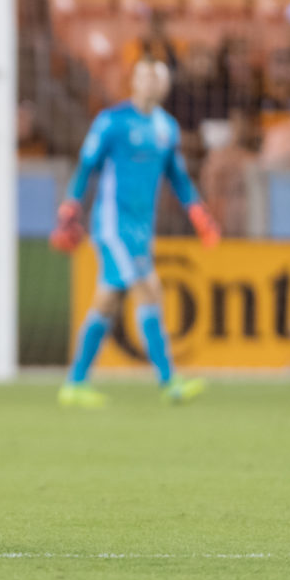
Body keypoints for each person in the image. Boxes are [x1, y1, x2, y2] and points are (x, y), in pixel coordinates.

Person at [50, 59, 221, 409]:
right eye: (144, 75)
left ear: (165, 85)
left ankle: (75, 383)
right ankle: (169, 381)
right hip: (113, 224)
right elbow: (86, 167)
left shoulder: (166, 127)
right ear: (133, 81)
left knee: (108, 301)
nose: (151, 82)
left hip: (142, 227)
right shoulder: (112, 122)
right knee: (149, 288)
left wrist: (199, 213)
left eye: (157, 76)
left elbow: (177, 176)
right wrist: (71, 206)